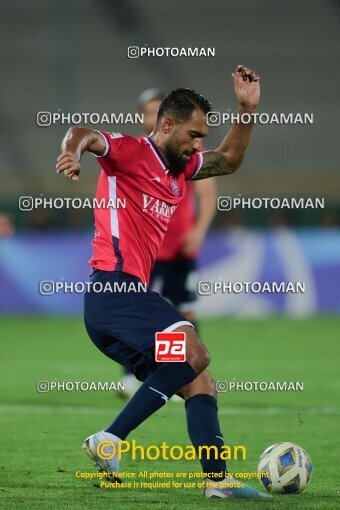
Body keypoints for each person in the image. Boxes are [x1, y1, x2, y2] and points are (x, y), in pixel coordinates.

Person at [56, 65, 269, 499]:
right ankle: (110, 438)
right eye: (193, 134)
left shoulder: (180, 169)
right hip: (114, 292)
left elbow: (227, 160)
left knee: (199, 380)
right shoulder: (131, 151)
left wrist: (246, 111)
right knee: (196, 351)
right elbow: (84, 132)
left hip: (121, 305)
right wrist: (73, 152)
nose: (198, 144)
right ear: (166, 124)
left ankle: (218, 482)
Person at [121, 89, 216, 399]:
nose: (152, 117)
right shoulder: (135, 153)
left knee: (185, 315)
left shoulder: (184, 152)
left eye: (155, 111)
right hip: (144, 252)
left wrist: (199, 230)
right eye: (147, 112)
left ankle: (184, 376)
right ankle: (135, 373)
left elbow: (206, 194)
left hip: (179, 248)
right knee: (143, 315)